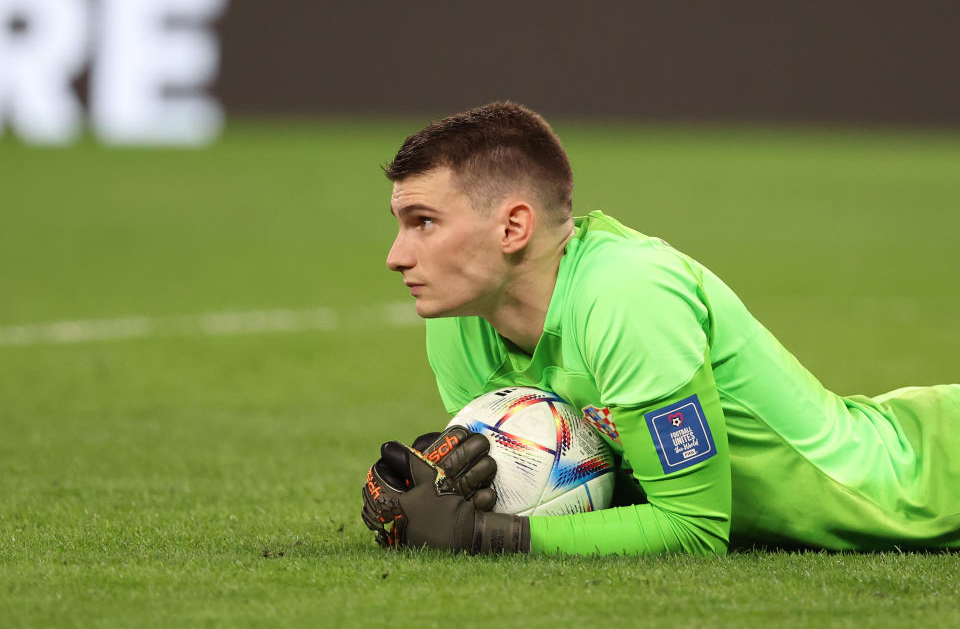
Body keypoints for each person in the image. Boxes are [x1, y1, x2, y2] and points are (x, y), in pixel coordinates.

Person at [361, 101, 960, 556]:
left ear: (513, 227)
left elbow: (694, 528)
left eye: (424, 222)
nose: (396, 256)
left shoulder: (625, 295)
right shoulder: (459, 321)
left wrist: (491, 537)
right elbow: (570, 488)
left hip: (927, 486)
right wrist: (439, 497)